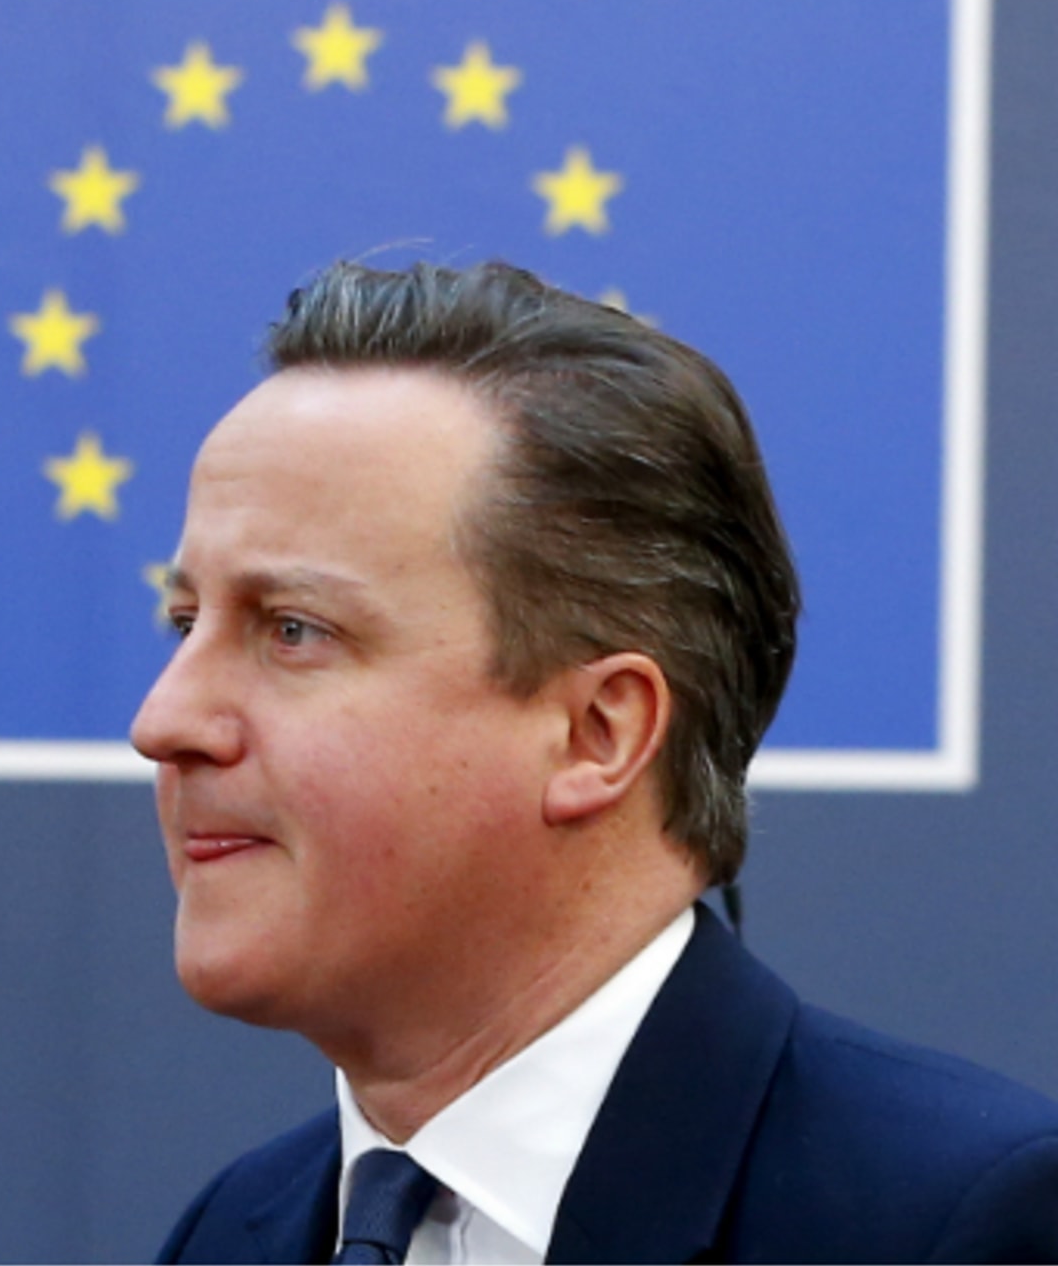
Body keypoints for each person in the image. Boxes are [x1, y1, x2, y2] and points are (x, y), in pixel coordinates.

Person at [131, 259, 1058, 1264]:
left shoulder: (952, 1221)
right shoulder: (233, 1229)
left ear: (597, 733)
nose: (164, 718)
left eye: (295, 629)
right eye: (184, 622)